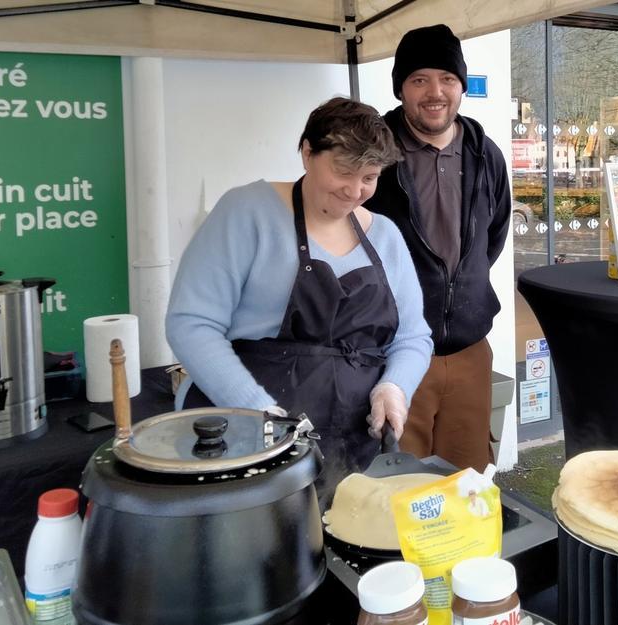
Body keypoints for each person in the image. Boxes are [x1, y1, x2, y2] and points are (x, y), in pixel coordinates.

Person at [165, 97, 434, 489]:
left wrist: (395, 387)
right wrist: (257, 411)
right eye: (344, 171)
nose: (354, 191)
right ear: (307, 152)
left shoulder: (386, 236)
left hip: (354, 442)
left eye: (370, 177)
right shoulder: (247, 212)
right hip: (247, 437)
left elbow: (412, 338)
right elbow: (191, 323)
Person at [365, 24, 511, 471]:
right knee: (396, 492)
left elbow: (493, 238)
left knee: (466, 487)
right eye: (419, 79)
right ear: (401, 89)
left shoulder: (486, 155)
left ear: (461, 87)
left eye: (448, 79)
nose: (435, 92)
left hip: (469, 355)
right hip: (393, 359)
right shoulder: (373, 155)